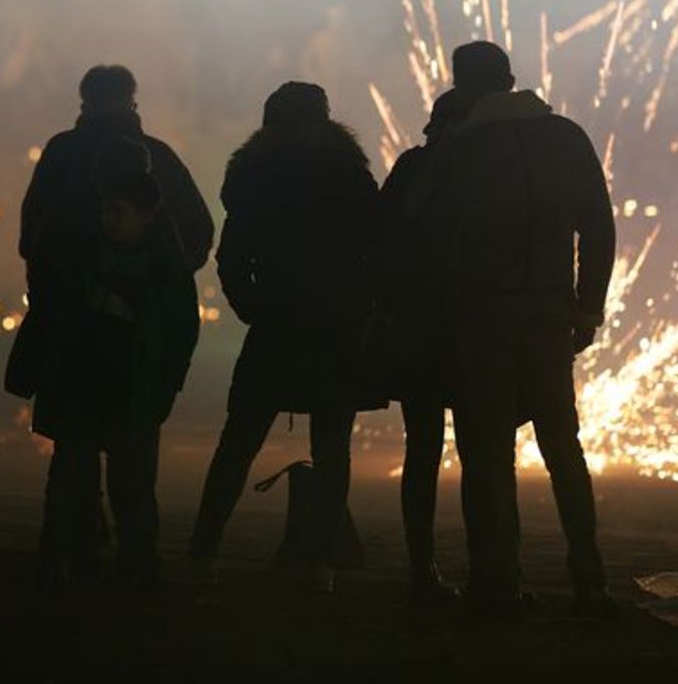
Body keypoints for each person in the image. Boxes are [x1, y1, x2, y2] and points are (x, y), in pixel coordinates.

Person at [421, 40, 617, 619]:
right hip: (551, 317)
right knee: (563, 447)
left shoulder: (462, 149)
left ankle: (497, 582)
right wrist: (588, 307)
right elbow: (599, 230)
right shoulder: (568, 138)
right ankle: (590, 579)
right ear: (511, 79)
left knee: (487, 454)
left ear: (463, 89)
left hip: (482, 318)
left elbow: (425, 235)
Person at [188, 82, 379, 595]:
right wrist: (359, 310)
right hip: (334, 329)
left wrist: (253, 307)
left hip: (275, 326)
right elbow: (378, 251)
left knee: (239, 440)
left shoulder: (255, 176)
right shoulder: (349, 175)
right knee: (333, 447)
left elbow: (231, 256)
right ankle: (320, 564)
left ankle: (203, 551)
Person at [24, 140, 199, 590]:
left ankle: (71, 565)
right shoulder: (164, 259)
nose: (107, 219)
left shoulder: (73, 232)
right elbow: (180, 333)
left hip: (98, 385)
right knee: (125, 489)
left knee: (82, 484)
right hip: (116, 387)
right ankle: (130, 572)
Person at [374, 89, 463, 605]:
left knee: (424, 447)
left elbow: (381, 236)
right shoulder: (474, 168)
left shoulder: (413, 166)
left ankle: (421, 565)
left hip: (418, 327)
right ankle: (489, 571)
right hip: (458, 326)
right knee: (475, 449)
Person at [20, 64, 214, 275]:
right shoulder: (160, 156)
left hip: (68, 302)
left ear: (85, 106)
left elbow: (31, 235)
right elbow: (198, 233)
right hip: (148, 303)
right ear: (131, 104)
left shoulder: (61, 152)